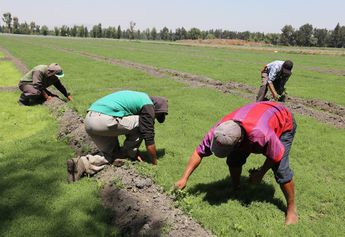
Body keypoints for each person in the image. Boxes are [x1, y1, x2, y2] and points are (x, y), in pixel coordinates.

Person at [175, 101, 298, 225]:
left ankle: (291, 209)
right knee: (234, 159)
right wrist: (184, 178)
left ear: (239, 141)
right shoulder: (220, 131)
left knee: (280, 170)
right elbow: (199, 152)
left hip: (283, 120)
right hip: (258, 112)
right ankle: (236, 188)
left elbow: (276, 154)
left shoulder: (260, 135)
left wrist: (260, 173)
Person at [67, 90, 168, 182]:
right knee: (143, 123)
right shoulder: (148, 105)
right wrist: (155, 162)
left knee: (111, 155)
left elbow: (124, 122)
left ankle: (81, 164)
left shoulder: (139, 97)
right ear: (155, 109)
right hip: (104, 120)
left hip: (89, 121)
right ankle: (128, 154)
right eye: (156, 116)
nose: (154, 118)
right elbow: (148, 136)